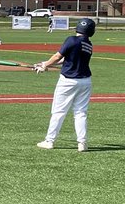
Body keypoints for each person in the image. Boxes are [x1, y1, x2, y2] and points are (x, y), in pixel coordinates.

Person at [35, 17, 95, 152]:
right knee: (80, 113)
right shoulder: (88, 45)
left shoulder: (71, 40)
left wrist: (45, 65)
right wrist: (44, 63)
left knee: (58, 112)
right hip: (85, 81)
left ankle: (49, 141)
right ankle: (82, 143)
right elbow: (66, 60)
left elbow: (58, 57)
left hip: (68, 81)